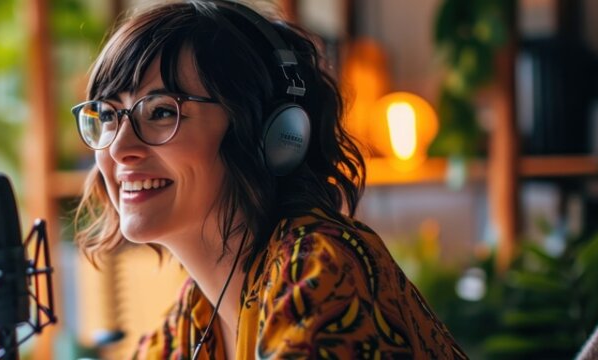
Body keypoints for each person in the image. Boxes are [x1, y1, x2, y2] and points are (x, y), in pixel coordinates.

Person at [71, 1, 466, 359]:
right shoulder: (193, 318)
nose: (120, 148)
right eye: (107, 115)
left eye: (160, 112)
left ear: (266, 132)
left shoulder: (318, 270)